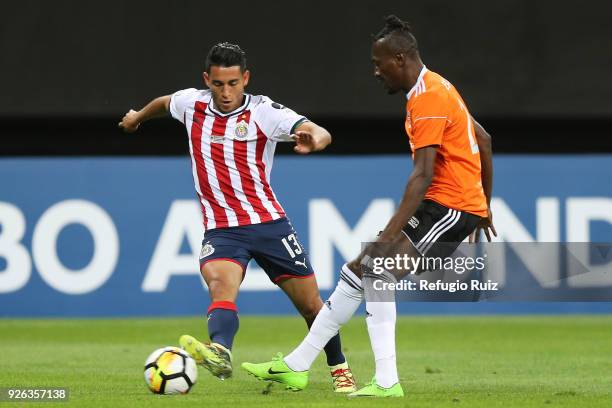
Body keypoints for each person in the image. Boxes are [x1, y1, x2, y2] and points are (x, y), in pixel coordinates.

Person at [241, 15, 496, 397]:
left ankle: (387, 381)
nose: (375, 72)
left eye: (379, 64)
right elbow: (484, 139)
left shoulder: (428, 98)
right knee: (358, 272)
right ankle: (296, 366)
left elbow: (422, 175)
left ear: (400, 59)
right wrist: (486, 206)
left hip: (449, 205)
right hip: (455, 204)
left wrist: (395, 233)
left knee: (378, 270)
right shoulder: (437, 86)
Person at [118, 42, 356, 392]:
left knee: (311, 306)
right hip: (223, 230)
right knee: (220, 286)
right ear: (206, 80)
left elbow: (319, 130)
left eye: (233, 83)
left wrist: (315, 139)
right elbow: (165, 102)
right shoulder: (192, 104)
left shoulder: (264, 112)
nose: (226, 92)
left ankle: (340, 369)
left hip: (269, 225)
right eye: (218, 84)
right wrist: (138, 116)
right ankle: (220, 351)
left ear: (245, 78)